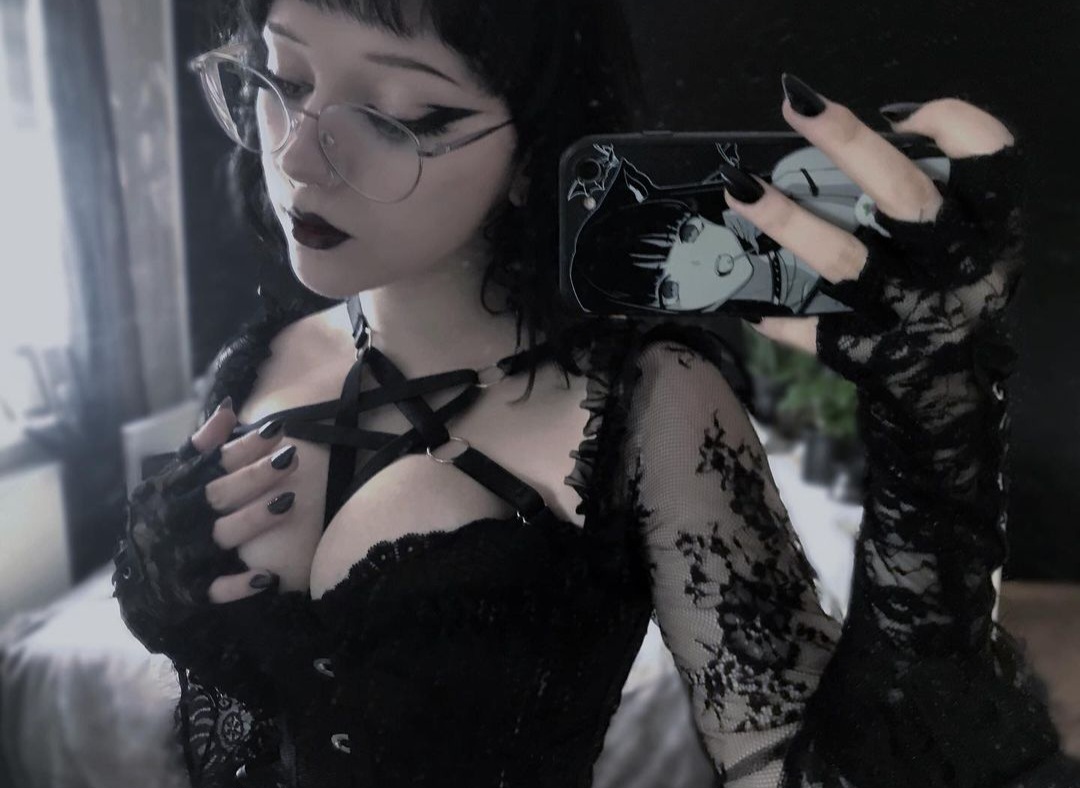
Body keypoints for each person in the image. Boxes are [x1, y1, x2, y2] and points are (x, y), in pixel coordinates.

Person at [110, 0, 1080, 785]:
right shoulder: (257, 361)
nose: (293, 156)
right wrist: (164, 593)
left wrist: (934, 426)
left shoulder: (650, 400)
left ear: (536, 151)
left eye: (402, 114)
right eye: (283, 82)